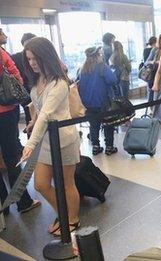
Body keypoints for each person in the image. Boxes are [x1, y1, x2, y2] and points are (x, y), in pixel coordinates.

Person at [22, 37, 80, 236]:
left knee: (66, 183)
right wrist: (32, 123)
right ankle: (62, 214)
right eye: (29, 59)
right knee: (41, 184)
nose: (32, 63)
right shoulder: (37, 79)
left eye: (35, 58)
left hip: (63, 139)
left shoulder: (59, 83)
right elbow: (40, 110)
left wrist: (30, 142)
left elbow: (47, 113)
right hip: (46, 141)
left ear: (45, 56)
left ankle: (72, 219)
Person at [0, 29, 40, 217]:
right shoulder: (2, 53)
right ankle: (23, 201)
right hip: (5, 112)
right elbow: (17, 79)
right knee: (12, 158)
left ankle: (3, 206)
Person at [79, 46, 119, 155]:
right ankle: (109, 147)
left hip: (88, 104)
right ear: (97, 56)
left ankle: (95, 146)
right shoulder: (102, 67)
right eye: (100, 54)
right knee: (108, 123)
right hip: (103, 102)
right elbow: (113, 80)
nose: (102, 56)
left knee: (93, 125)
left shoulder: (82, 69)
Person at [11, 33, 36, 127]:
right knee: (30, 117)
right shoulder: (15, 57)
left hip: (39, 88)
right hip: (25, 93)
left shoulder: (41, 56)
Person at [146, 32, 161, 121]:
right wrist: (156, 62)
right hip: (157, 78)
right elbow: (146, 62)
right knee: (157, 100)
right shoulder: (155, 50)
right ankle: (158, 119)